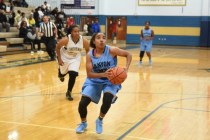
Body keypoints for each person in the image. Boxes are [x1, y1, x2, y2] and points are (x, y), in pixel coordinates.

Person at [75, 32, 132, 134]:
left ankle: (100, 120)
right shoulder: (89, 55)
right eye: (98, 38)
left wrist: (126, 69)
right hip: (94, 80)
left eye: (104, 38)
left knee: (107, 99)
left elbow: (128, 54)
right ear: (93, 41)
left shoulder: (111, 50)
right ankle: (83, 123)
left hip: (110, 80)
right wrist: (104, 74)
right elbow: (90, 75)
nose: (102, 40)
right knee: (82, 104)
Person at [56, 25, 89, 101]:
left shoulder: (84, 41)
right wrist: (60, 59)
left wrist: (88, 60)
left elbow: (87, 50)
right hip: (65, 57)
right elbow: (57, 47)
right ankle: (60, 74)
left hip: (75, 58)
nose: (77, 33)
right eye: (75, 31)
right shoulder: (66, 40)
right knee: (62, 73)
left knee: (73, 74)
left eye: (78, 31)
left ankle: (69, 91)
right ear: (71, 32)